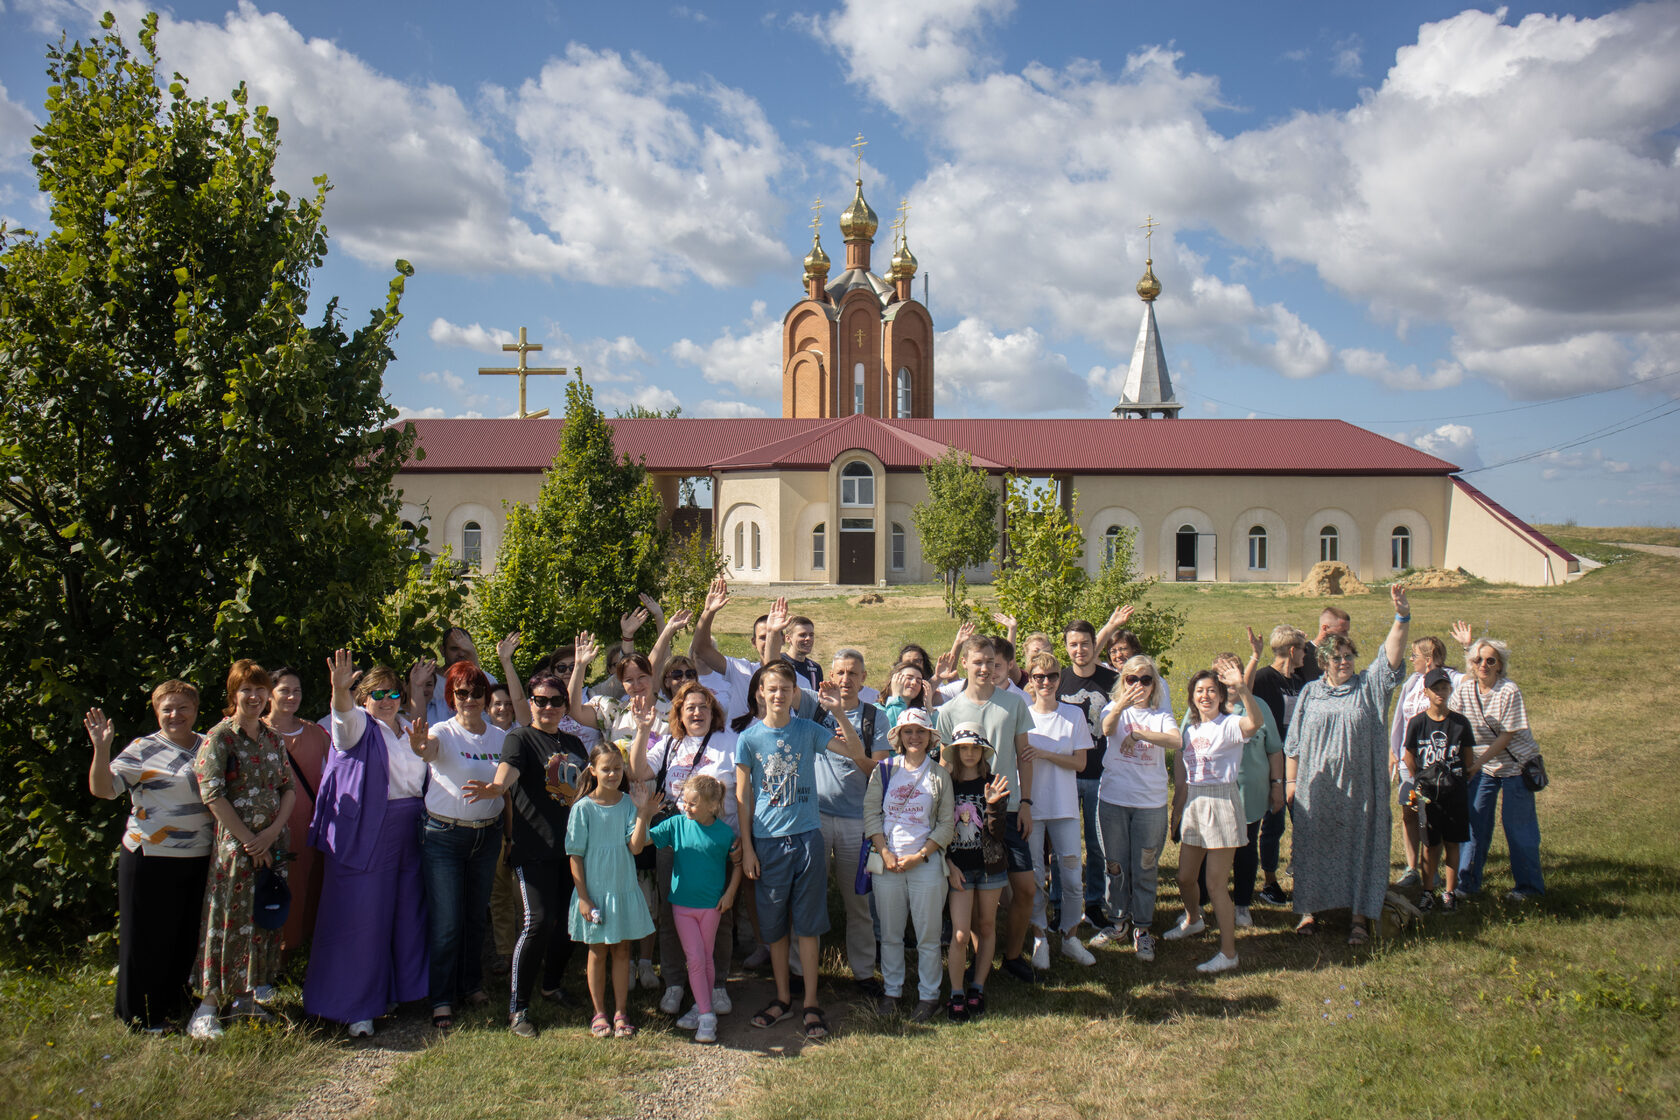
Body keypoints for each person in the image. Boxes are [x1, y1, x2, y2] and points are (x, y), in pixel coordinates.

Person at [735, 663, 870, 1041]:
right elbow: (743, 797)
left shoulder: (809, 729)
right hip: (768, 841)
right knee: (776, 927)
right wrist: (748, 849)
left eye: (785, 688)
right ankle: (782, 998)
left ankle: (811, 1002)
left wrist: (838, 713)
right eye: (772, 689)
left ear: (794, 692)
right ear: (761, 693)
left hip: (808, 838)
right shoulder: (748, 738)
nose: (778, 695)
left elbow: (856, 753)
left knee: (808, 925)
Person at [304, 651, 430, 1038]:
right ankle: (355, 1007)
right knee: (363, 918)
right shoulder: (358, 725)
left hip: (412, 828)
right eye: (378, 694)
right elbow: (342, 717)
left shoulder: (409, 727)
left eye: (393, 693)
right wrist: (339, 689)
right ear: (364, 698)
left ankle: (399, 993)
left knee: (406, 913)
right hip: (367, 833)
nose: (386, 700)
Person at [463, 670, 589, 1038]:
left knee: (568, 924)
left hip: (573, 849)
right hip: (534, 848)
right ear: (530, 703)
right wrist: (495, 786)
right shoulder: (520, 738)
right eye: (540, 700)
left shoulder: (574, 743)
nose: (548, 707)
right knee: (538, 922)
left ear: (565, 705)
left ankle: (551, 985)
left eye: (555, 700)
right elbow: (508, 772)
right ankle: (518, 1008)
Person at [1285, 586, 1412, 945]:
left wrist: (1401, 617)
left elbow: (1390, 657)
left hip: (1359, 790)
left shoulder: (1369, 688)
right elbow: (1293, 743)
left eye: (1348, 656)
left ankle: (1358, 917)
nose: (1344, 662)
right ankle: (1309, 911)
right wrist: (1290, 784)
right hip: (1316, 788)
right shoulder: (1311, 692)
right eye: (1337, 657)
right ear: (1324, 661)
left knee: (1359, 848)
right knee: (1312, 846)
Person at [85, 682, 214, 1032]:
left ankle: (173, 1003)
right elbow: (103, 789)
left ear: (195, 709)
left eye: (183, 707)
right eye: (167, 709)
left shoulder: (209, 745)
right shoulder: (143, 749)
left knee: (184, 937)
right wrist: (101, 748)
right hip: (150, 856)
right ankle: (140, 1017)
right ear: (157, 712)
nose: (175, 715)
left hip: (200, 856)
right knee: (146, 939)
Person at [189, 661, 296, 1040]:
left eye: (260, 689)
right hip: (237, 849)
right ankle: (207, 1007)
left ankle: (246, 999)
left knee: (262, 920)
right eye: (246, 690)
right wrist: (250, 840)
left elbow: (288, 789)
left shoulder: (272, 738)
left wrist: (272, 833)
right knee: (229, 920)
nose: (254, 697)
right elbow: (213, 794)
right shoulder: (219, 738)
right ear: (233, 695)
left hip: (272, 845)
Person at [628, 681, 740, 1021]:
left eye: (704, 706)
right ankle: (675, 982)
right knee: (671, 909)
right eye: (690, 707)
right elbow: (637, 771)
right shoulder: (669, 744)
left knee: (719, 913)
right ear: (678, 713)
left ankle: (717, 984)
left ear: (713, 711)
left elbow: (745, 791)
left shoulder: (730, 742)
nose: (697, 712)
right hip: (676, 840)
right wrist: (643, 730)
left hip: (717, 842)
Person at [407, 660, 506, 1030]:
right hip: (444, 837)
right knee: (447, 923)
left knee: (476, 917)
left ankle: (471, 985)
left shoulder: (499, 737)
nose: (470, 699)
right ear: (451, 696)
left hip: (487, 835)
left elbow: (508, 779)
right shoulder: (443, 732)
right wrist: (420, 745)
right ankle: (442, 999)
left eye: (477, 692)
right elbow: (428, 750)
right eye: (462, 692)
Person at [935, 634, 1037, 982]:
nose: (985, 668)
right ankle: (979, 963)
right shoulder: (948, 711)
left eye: (991, 662)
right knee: (977, 893)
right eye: (977, 662)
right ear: (964, 663)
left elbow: (1024, 757)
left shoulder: (1014, 704)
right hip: (967, 812)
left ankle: (1013, 956)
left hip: (1008, 808)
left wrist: (1026, 802)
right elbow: (945, 765)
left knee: (1025, 887)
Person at [1167, 658, 1262, 974]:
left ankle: (1228, 953)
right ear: (1192, 696)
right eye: (1199, 691)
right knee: (1185, 877)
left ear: (1221, 696)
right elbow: (1184, 775)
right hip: (1195, 803)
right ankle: (1193, 919)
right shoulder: (1190, 730)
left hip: (1222, 803)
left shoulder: (1231, 724)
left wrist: (1242, 688)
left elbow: (1255, 722)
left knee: (1216, 884)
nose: (1204, 696)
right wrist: (1178, 810)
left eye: (1210, 690)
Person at [632, 773, 742, 1044]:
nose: (686, 807)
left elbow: (737, 864)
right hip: (682, 906)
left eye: (693, 804)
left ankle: (700, 1008)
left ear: (712, 806)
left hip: (711, 908)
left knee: (704, 958)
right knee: (695, 958)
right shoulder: (676, 825)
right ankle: (706, 1016)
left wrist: (730, 894)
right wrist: (644, 814)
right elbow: (639, 845)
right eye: (685, 802)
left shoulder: (725, 833)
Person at [809, 648, 891, 995]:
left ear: (864, 679)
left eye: (853, 673)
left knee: (858, 901)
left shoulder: (876, 717)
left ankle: (862, 972)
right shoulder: (813, 708)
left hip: (857, 820)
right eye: (840, 672)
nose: (846, 680)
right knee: (810, 895)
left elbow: (878, 772)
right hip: (815, 817)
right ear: (829, 675)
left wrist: (843, 721)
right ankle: (801, 971)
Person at [864, 708, 955, 1022]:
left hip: (926, 864)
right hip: (888, 863)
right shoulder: (885, 770)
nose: (914, 737)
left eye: (920, 731)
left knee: (928, 937)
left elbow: (946, 825)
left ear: (930, 737)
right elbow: (871, 813)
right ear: (899, 737)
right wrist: (885, 852)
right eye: (908, 731)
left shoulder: (940, 775)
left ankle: (929, 996)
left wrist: (921, 856)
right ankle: (892, 992)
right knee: (890, 934)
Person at [566, 743, 658, 1038]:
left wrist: (642, 813)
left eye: (618, 768)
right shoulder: (583, 808)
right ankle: (599, 1013)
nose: (613, 774)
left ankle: (620, 1011)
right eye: (606, 769)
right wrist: (583, 897)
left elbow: (635, 847)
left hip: (622, 888)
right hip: (594, 892)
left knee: (622, 950)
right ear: (592, 770)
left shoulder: (628, 803)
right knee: (597, 952)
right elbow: (575, 855)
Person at [1094, 656, 1178, 962]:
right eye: (1132, 679)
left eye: (1146, 679)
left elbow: (1176, 741)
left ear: (1154, 684)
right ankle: (1118, 921)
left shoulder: (1160, 715)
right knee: (1115, 865)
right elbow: (1106, 729)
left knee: (1145, 867)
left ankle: (1142, 929)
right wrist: (1121, 704)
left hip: (1149, 804)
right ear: (1123, 681)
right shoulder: (1111, 708)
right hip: (1114, 799)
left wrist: (1139, 734)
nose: (1138, 685)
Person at [1451, 638, 1545, 902]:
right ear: (1471, 664)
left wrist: (1476, 764)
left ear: (1500, 665)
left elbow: (1506, 736)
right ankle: (1467, 883)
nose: (1483, 665)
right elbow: (1453, 723)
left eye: (1490, 660)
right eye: (1478, 660)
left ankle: (1529, 888)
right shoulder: (1465, 690)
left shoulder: (1509, 691)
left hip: (1516, 766)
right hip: (1484, 767)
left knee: (1517, 827)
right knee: (1474, 824)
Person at [1024, 651, 1096, 968]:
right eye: (1039, 677)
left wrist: (1044, 753)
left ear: (1059, 679)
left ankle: (1070, 936)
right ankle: (1039, 936)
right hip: (1032, 806)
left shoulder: (1073, 714)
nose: (1046, 682)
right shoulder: (1023, 715)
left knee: (1071, 875)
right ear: (1031, 679)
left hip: (1064, 806)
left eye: (1052, 676)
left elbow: (1080, 763)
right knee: (1035, 876)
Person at [1389, 626, 1471, 888]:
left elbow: (1473, 681)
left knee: (1434, 815)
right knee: (1409, 811)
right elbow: (1401, 717)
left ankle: (1433, 870)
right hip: (1410, 759)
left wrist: (1468, 648)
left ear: (1429, 658)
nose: (1411, 659)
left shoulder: (1450, 678)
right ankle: (1412, 868)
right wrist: (1394, 750)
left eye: (1414, 655)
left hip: (1438, 762)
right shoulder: (1413, 682)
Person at [941, 723, 1010, 1020]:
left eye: (975, 748)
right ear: (956, 752)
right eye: (963, 748)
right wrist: (948, 864)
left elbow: (998, 834)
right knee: (959, 933)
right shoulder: (946, 784)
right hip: (959, 867)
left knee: (986, 926)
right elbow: (938, 827)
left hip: (989, 866)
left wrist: (993, 805)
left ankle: (977, 987)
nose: (969, 753)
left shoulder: (993, 782)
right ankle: (956, 991)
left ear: (983, 751)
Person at [265, 666, 330, 962]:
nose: (292, 696)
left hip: (309, 827)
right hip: (268, 831)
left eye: (297, 691)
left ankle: (299, 957)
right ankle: (272, 959)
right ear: (269, 693)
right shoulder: (255, 732)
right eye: (284, 690)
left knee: (307, 888)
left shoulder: (316, 733)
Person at [1058, 620, 1118, 932]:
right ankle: (1060, 905)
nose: (1079, 650)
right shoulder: (1058, 680)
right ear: (1066, 647)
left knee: (1097, 845)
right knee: (1063, 846)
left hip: (1101, 775)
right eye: (1073, 644)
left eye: (1085, 643)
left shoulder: (1113, 681)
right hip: (1064, 776)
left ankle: (1095, 904)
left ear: (1095, 645)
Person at [1402, 668, 1479, 912]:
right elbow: (1409, 756)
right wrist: (1421, 780)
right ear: (1426, 692)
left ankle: (1449, 892)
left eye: (1444, 688)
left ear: (1450, 690)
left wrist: (1457, 779)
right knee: (1430, 844)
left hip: (1454, 793)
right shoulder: (1418, 723)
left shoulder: (1460, 723)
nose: (1440, 693)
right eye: (1435, 689)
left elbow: (1468, 758)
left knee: (1453, 843)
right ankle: (1427, 892)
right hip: (1428, 796)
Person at [1250, 625, 1307, 906]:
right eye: (1303, 650)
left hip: (1297, 764)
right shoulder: (1263, 678)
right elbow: (1243, 695)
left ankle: (1304, 878)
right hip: (1270, 763)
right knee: (1273, 823)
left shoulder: (1299, 681)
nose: (1305, 655)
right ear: (1293, 650)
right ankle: (1269, 881)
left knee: (1302, 822)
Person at [1298, 606, 1351, 685]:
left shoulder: (1344, 655)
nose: (1346, 636)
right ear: (1325, 628)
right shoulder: (1301, 654)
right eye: (1342, 631)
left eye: (1347, 631)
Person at [881, 660, 932, 728]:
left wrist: (929, 708)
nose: (914, 683)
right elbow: (893, 729)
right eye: (909, 678)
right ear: (895, 679)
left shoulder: (920, 713)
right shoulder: (878, 710)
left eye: (918, 681)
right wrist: (896, 698)